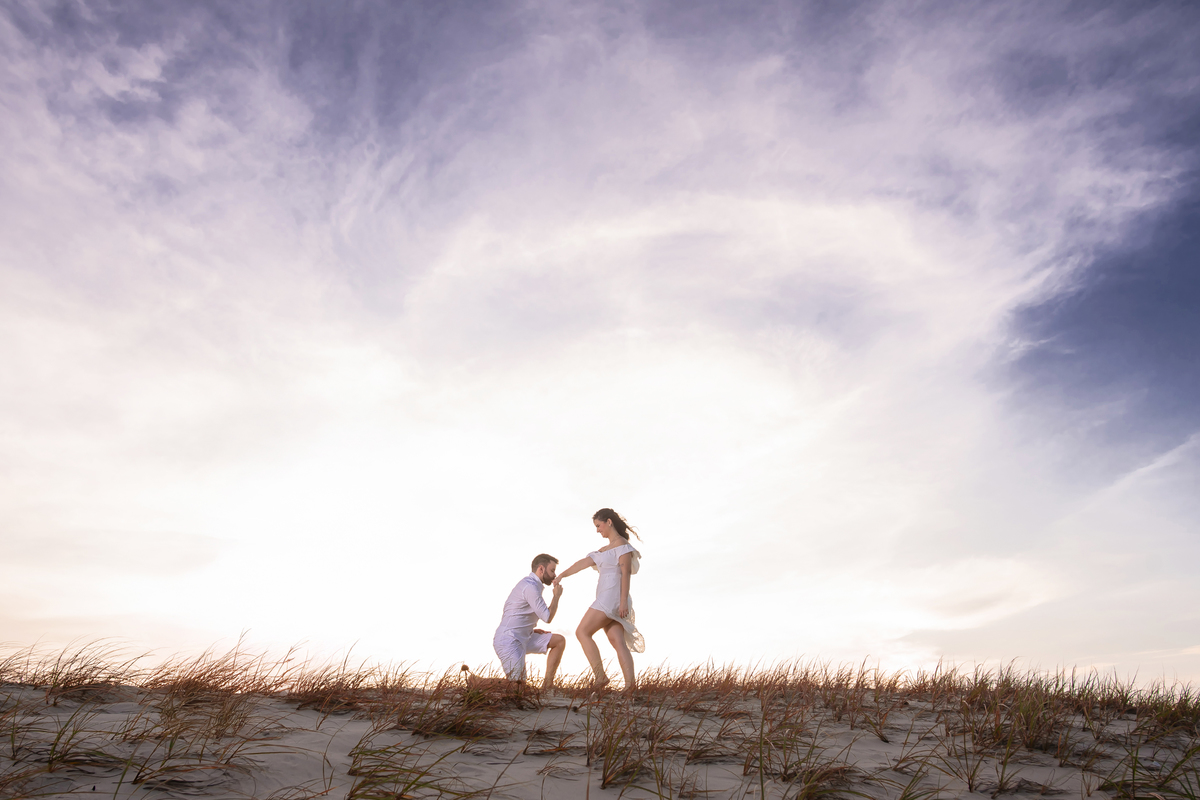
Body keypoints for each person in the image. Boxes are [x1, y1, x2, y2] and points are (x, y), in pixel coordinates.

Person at [553, 508, 644, 691]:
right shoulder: (604, 550)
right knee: (617, 640)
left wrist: (623, 601)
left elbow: (625, 574)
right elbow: (582, 564)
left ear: (608, 522)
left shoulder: (622, 546)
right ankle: (630, 687)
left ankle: (600, 677)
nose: (597, 530)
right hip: (609, 598)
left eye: (598, 525)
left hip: (612, 598)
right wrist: (562, 575)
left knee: (582, 632)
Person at [491, 553, 567, 692]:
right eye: (552, 570)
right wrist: (556, 597)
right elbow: (547, 618)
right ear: (541, 569)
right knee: (518, 687)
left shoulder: (533, 586)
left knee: (559, 641)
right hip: (509, 639)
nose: (554, 575)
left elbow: (516, 612)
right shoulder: (530, 587)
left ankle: (547, 686)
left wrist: (530, 630)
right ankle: (477, 681)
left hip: (524, 636)